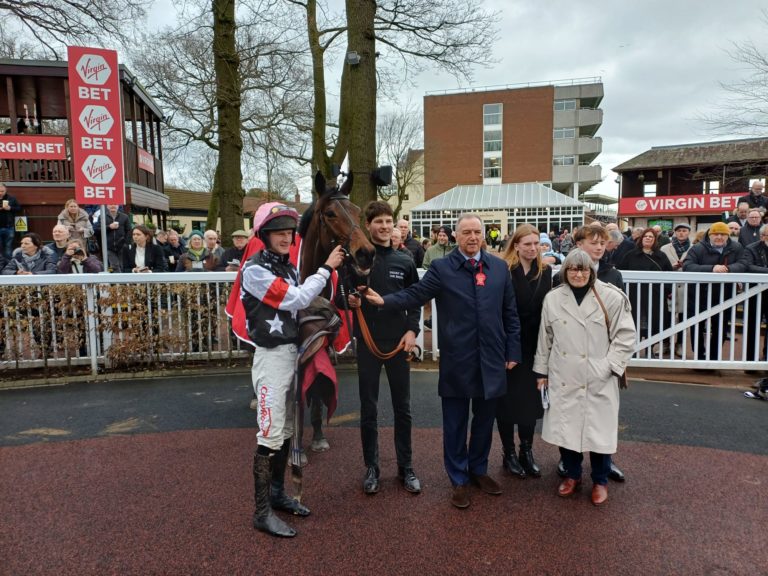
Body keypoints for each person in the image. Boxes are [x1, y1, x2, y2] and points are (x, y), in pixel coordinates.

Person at [363, 213, 521, 509]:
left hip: (492, 358)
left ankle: (478, 470)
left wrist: (513, 351)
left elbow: (510, 313)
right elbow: (415, 294)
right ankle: (458, 479)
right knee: (455, 422)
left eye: (477, 232)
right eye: (466, 233)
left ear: (484, 235)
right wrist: (386, 301)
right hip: (458, 357)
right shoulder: (442, 268)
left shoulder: (499, 268)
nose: (472, 237)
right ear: (455, 236)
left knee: (485, 421)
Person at [240, 203, 344, 538]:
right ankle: (260, 512)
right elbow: (298, 299)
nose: (286, 237)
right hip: (270, 359)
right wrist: (326, 269)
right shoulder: (255, 270)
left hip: (291, 355)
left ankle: (277, 494)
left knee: (285, 432)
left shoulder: (287, 267)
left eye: (289, 231)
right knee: (269, 436)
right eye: (278, 232)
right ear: (264, 235)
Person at [534, 249, 635, 506]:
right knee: (567, 427)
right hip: (564, 373)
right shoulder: (553, 299)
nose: (578, 274)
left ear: (591, 271)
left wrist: (609, 366)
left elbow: (625, 336)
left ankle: (600, 480)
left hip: (598, 374)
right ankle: (572, 474)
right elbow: (545, 338)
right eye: (573, 269)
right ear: (565, 272)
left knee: (599, 431)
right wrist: (542, 372)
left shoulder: (611, 296)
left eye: (583, 269)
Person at [341, 202, 421, 495]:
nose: (385, 226)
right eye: (379, 222)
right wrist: (348, 300)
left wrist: (413, 330)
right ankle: (372, 468)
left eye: (389, 221)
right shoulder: (356, 260)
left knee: (404, 409)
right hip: (368, 343)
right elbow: (341, 297)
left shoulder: (405, 260)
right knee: (369, 409)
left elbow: (415, 299)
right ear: (369, 225)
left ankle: (406, 467)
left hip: (399, 343)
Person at [554, 223, 626, 482]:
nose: (598, 247)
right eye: (592, 242)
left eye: (601, 242)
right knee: (569, 414)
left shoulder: (613, 276)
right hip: (570, 363)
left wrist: (611, 364)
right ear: (578, 245)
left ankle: (603, 468)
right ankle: (569, 464)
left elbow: (622, 324)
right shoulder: (561, 276)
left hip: (599, 360)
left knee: (600, 419)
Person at [496, 224, 552, 479]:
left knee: (530, 402)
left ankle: (526, 451)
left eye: (536, 244)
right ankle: (508, 453)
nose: (532, 248)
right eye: (526, 244)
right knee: (507, 401)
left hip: (535, 345)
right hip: (510, 345)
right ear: (516, 245)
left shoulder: (547, 272)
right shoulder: (504, 271)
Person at [683, 222, 748, 360]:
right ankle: (699, 356)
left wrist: (728, 269)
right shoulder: (698, 248)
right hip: (699, 295)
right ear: (710, 234)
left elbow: (743, 263)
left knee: (721, 327)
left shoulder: (736, 247)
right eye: (716, 234)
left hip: (724, 295)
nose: (719, 237)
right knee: (697, 327)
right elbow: (688, 266)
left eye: (723, 234)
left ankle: (713, 356)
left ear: (728, 235)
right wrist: (711, 268)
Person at [619, 228, 672, 352]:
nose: (648, 238)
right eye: (645, 236)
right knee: (634, 322)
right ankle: (634, 350)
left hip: (655, 297)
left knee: (653, 323)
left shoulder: (661, 256)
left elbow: (669, 275)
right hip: (634, 296)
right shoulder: (630, 255)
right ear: (641, 239)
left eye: (651, 237)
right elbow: (621, 273)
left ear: (655, 240)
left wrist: (664, 292)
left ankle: (650, 349)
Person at [744, 224, 768, 364]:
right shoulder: (751, 248)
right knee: (752, 327)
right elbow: (748, 266)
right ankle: (750, 360)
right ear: (762, 236)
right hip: (755, 294)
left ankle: (766, 358)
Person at [94, 204, 132, 272]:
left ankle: (122, 280)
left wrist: (126, 243)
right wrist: (109, 227)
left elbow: (129, 231)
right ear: (107, 206)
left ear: (118, 206)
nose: (113, 206)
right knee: (114, 265)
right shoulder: (102, 216)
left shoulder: (124, 217)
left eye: (115, 204)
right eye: (111, 204)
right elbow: (97, 230)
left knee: (122, 264)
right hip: (109, 246)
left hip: (122, 245)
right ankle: (118, 281)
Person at [0, 183, 21, 260]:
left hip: (9, 227)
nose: (0, 193)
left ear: (6, 190)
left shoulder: (11, 198)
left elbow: (19, 208)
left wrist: (10, 208)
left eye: (2, 191)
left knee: (8, 246)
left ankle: (9, 264)